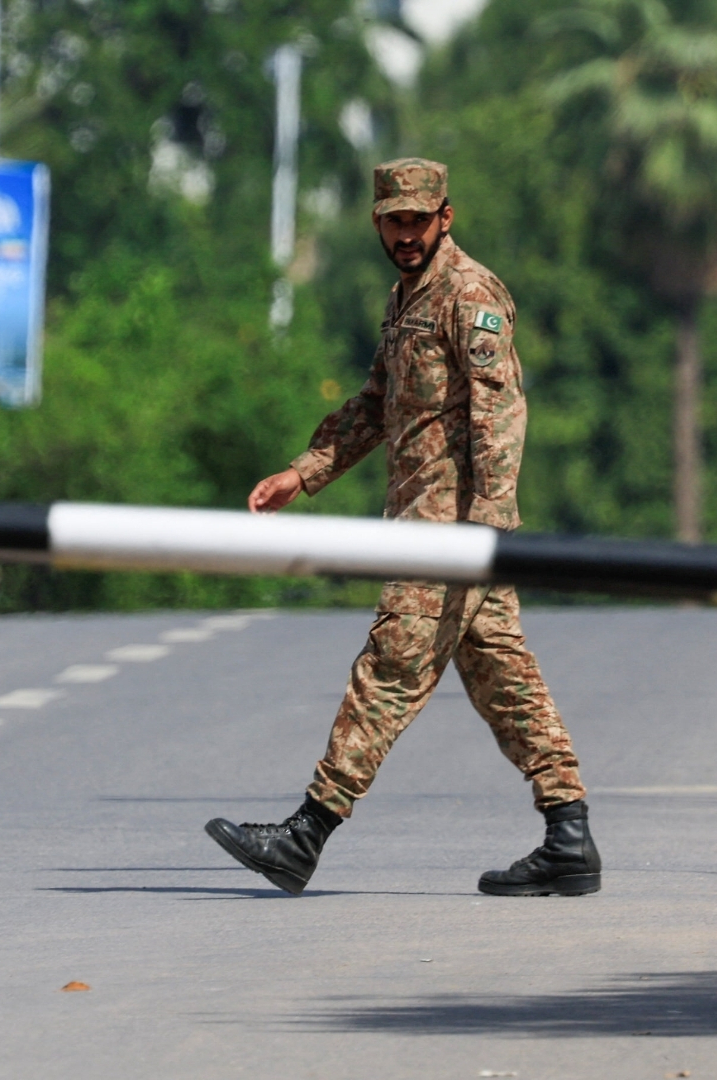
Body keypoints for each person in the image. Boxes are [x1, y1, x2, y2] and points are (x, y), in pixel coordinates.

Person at [204, 158, 600, 898]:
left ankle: (306, 833)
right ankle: (568, 836)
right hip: (436, 525)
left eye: (420, 220)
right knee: (505, 681)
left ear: (445, 216)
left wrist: (484, 529)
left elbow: (501, 415)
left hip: (453, 532)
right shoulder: (406, 299)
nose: (408, 234)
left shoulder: (469, 294)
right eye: (395, 222)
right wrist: (305, 470)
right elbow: (376, 403)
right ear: (379, 223)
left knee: (389, 670)